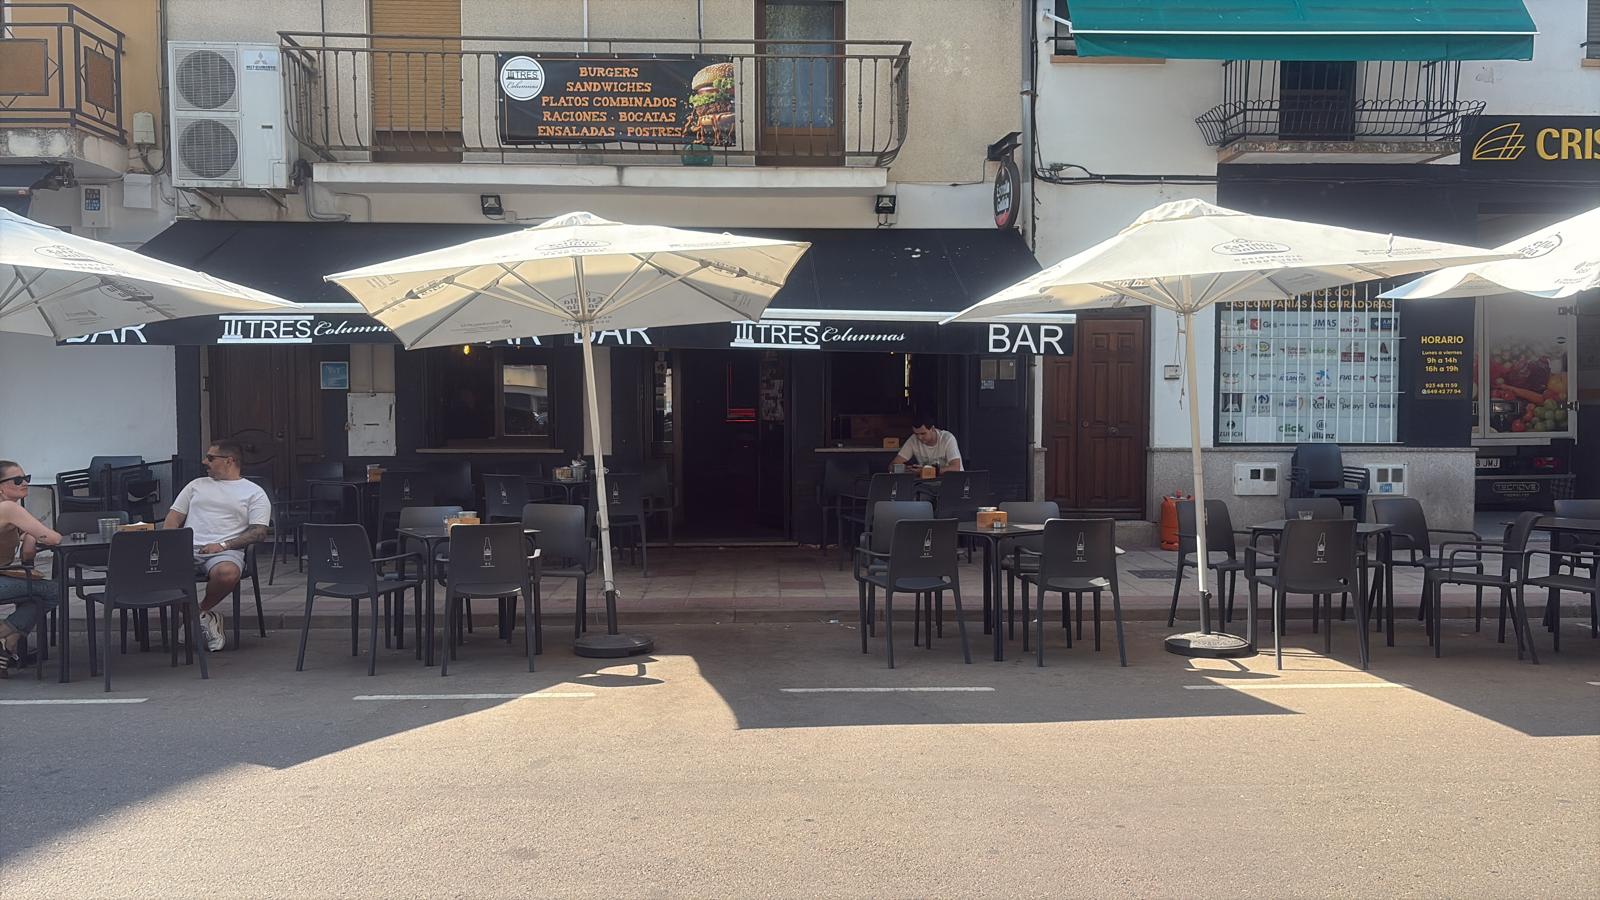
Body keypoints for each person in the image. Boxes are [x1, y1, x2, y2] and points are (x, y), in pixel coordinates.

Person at [163, 441, 270, 652]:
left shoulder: (253, 492)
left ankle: (199, 613)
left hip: (225, 551)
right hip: (187, 547)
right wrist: (172, 544)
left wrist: (222, 545)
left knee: (227, 573)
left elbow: (259, 532)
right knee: (155, 569)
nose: (205, 462)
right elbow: (173, 518)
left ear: (229, 461)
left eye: (211, 458)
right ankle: (203, 619)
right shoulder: (196, 485)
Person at [0, 459, 63, 677]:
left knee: (35, 595)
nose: (25, 483)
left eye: (27, 478)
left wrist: (27, 536)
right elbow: (53, 538)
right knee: (55, 591)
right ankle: (4, 635)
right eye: (17, 480)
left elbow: (27, 554)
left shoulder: (8, 509)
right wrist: (33, 535)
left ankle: (7, 646)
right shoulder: (8, 508)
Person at [890, 415, 963, 473]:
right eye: (916, 434)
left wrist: (926, 471)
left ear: (932, 429)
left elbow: (955, 467)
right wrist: (906, 469)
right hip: (927, 485)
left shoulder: (947, 438)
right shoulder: (913, 439)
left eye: (923, 433)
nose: (919, 437)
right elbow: (893, 465)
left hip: (951, 482)